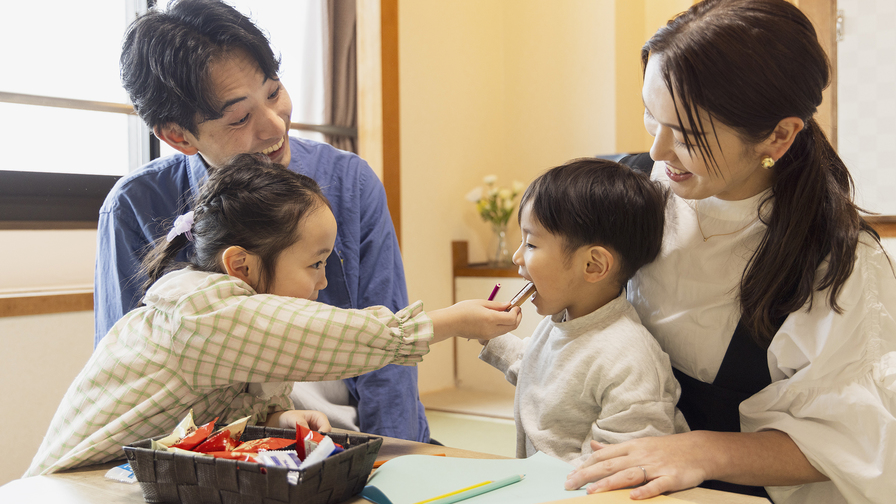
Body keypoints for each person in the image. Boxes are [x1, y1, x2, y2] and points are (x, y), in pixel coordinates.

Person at [564, 1, 896, 502]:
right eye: (652, 116)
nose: (657, 151)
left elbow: (862, 442)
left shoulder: (836, 261)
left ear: (778, 135)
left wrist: (702, 451)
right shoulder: (629, 197)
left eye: (689, 135)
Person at [27, 155, 520, 476]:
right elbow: (329, 338)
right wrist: (448, 322)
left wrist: (275, 415)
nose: (324, 284)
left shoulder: (228, 319)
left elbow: (220, 407)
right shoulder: (198, 311)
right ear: (240, 264)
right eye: (314, 264)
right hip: (76, 483)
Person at [96, 0, 429, 442]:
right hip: (217, 451)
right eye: (240, 118)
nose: (275, 128)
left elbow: (389, 359)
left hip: (354, 439)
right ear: (177, 135)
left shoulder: (349, 181)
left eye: (273, 93)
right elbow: (128, 382)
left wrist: (394, 457)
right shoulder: (135, 206)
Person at [479, 159, 689, 466]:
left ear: (593, 265)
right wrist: (485, 335)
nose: (516, 256)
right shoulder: (561, 322)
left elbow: (613, 468)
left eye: (532, 244)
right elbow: (543, 377)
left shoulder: (629, 361)